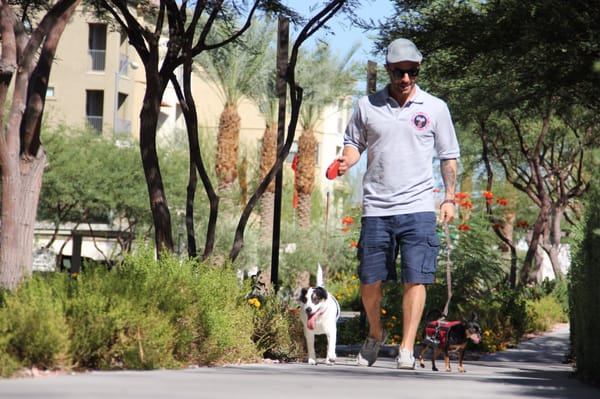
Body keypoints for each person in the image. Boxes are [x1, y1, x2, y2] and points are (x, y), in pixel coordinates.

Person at [336, 38, 459, 369]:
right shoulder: (367, 106)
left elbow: (448, 156)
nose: (405, 79)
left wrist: (449, 198)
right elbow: (353, 143)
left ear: (418, 69)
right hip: (377, 207)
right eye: (399, 72)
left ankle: (406, 347)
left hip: (419, 207)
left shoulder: (435, 108)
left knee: (415, 277)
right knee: (369, 279)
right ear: (388, 70)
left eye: (412, 72)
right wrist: (346, 160)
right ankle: (376, 333)